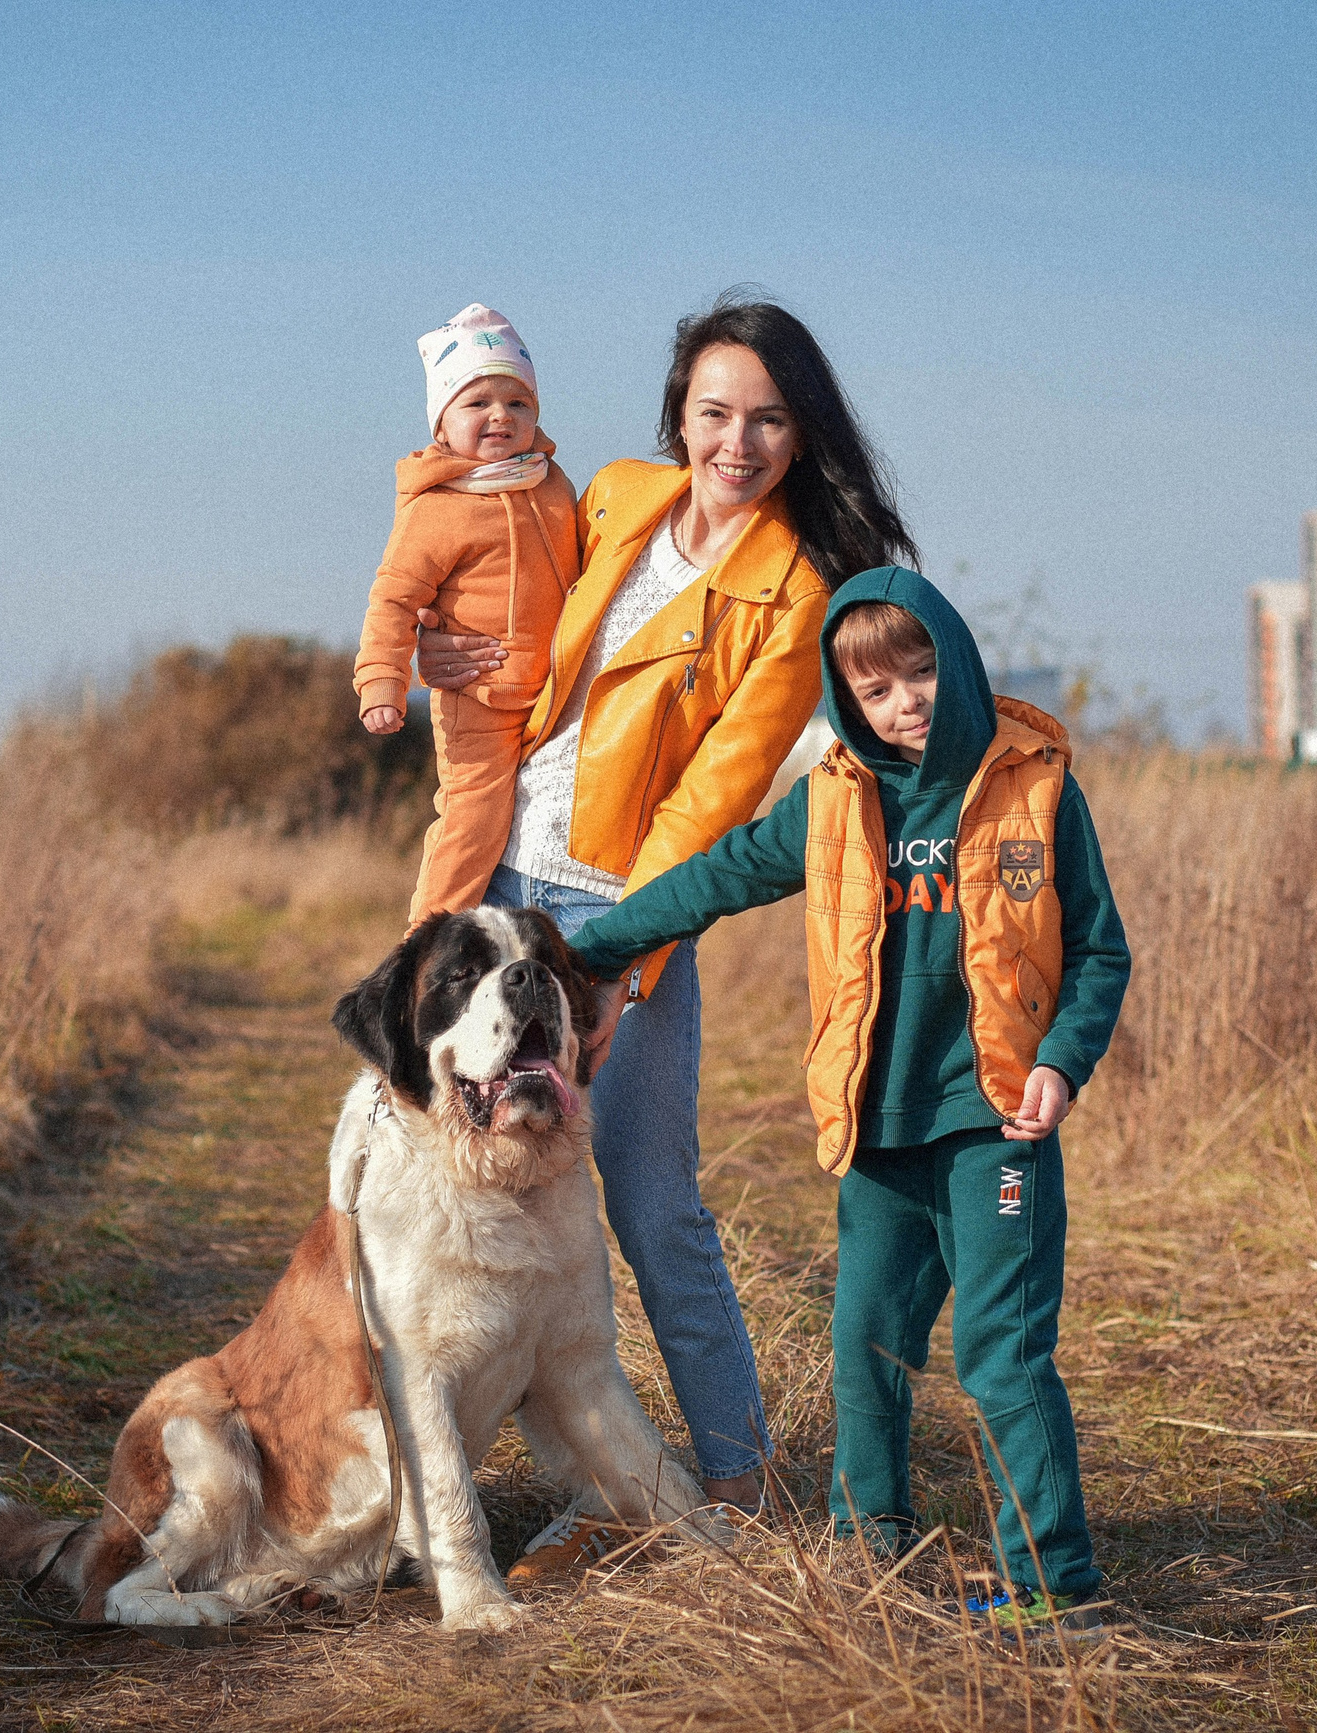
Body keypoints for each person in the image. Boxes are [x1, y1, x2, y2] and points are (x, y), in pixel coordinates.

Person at [416, 295, 919, 1579]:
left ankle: (736, 1474)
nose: (735, 442)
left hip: (615, 905)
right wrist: (443, 643)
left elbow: (715, 796)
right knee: (463, 1188)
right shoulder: (620, 495)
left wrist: (617, 952)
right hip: (496, 877)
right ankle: (545, 1469)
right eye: (713, 412)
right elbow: (504, 580)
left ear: (800, 433)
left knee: (643, 1198)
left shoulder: (799, 586)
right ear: (677, 416)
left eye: (765, 418)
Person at [562, 568, 1132, 1634]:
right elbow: (716, 875)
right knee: (863, 1339)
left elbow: (1098, 946)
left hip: (996, 1124)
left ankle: (1056, 1586)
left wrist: (1061, 1060)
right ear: (846, 700)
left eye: (920, 672)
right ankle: (868, 1547)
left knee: (999, 1353)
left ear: (954, 661)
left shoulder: (1037, 783)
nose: (905, 701)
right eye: (875, 689)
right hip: (875, 1130)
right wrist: (590, 948)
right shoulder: (830, 797)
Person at [355, 304, 579, 921]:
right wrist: (383, 682)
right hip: (478, 694)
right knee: (472, 819)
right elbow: (393, 600)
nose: (501, 417)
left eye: (518, 403)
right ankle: (427, 941)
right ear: (442, 424)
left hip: (556, 691)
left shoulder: (552, 484)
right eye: (477, 403)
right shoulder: (437, 509)